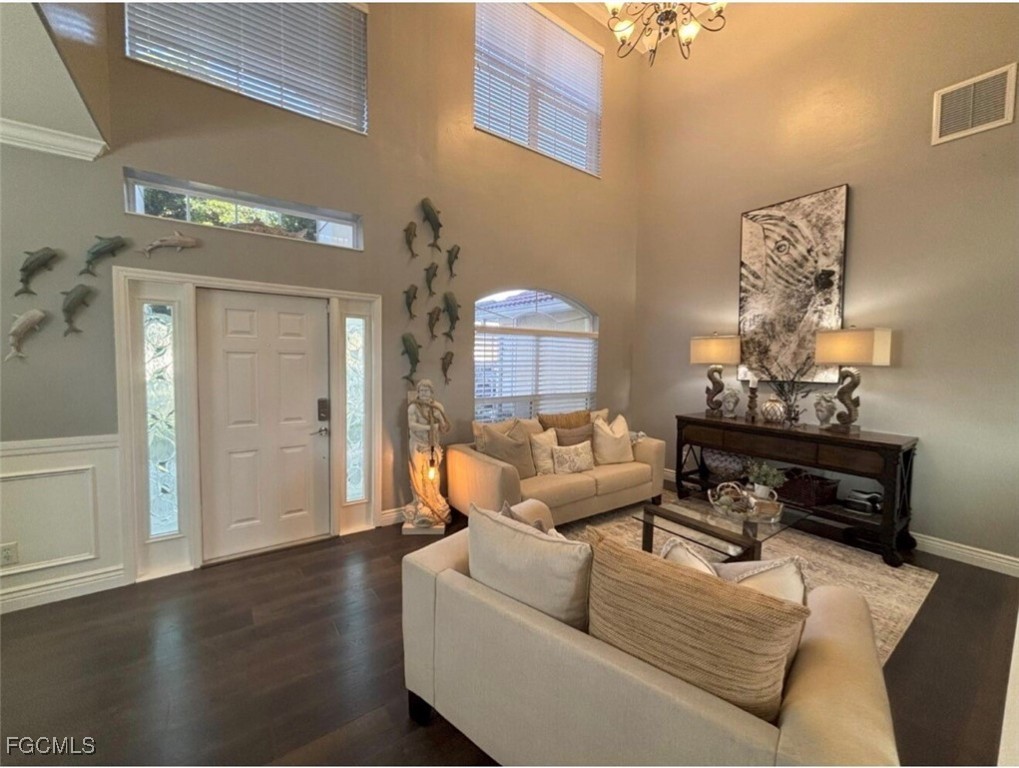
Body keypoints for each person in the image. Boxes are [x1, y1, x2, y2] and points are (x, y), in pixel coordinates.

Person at [405, 379, 452, 527]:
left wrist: (440, 419)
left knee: (433, 471)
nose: (424, 393)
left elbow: (444, 427)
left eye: (427, 390)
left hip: (432, 445)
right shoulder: (413, 407)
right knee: (418, 472)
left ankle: (435, 496)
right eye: (421, 390)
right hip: (417, 444)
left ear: (432, 393)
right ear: (418, 392)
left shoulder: (437, 407)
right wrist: (429, 427)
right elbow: (412, 425)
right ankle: (420, 500)